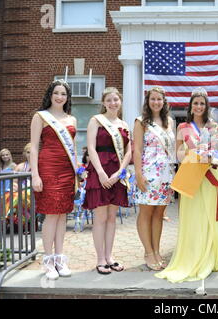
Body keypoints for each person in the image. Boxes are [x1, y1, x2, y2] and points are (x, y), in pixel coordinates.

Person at [155, 87, 218, 282]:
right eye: (196, 103)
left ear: (206, 106)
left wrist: (210, 155)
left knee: (208, 215)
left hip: (210, 173)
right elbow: (177, 154)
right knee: (193, 216)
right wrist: (194, 154)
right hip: (191, 173)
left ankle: (209, 257)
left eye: (202, 103)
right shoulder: (182, 127)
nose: (199, 106)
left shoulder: (214, 127)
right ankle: (191, 255)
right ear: (191, 106)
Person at [30, 79, 77, 280]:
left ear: (67, 98)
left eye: (63, 94)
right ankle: (47, 260)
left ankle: (59, 258)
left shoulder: (72, 119)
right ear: (50, 94)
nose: (59, 97)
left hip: (67, 170)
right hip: (48, 167)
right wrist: (35, 174)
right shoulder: (40, 117)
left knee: (62, 214)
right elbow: (33, 147)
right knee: (51, 214)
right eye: (56, 93)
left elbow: (73, 148)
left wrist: (78, 176)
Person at [82, 87, 131, 275]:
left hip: (116, 173)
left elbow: (128, 152)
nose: (113, 103)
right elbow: (91, 148)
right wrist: (101, 173)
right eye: (109, 100)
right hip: (100, 171)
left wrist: (119, 173)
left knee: (112, 218)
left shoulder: (124, 124)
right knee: (100, 217)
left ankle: (110, 257)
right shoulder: (96, 121)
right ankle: (100, 259)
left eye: (116, 100)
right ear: (103, 103)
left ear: (120, 102)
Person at [133, 86, 175, 271]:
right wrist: (138, 174)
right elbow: (137, 150)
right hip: (149, 173)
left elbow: (172, 151)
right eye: (153, 99)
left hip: (166, 175)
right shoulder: (141, 121)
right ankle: (148, 252)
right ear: (148, 101)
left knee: (159, 213)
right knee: (146, 213)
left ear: (164, 102)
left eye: (159, 99)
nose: (156, 102)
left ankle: (157, 251)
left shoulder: (169, 122)